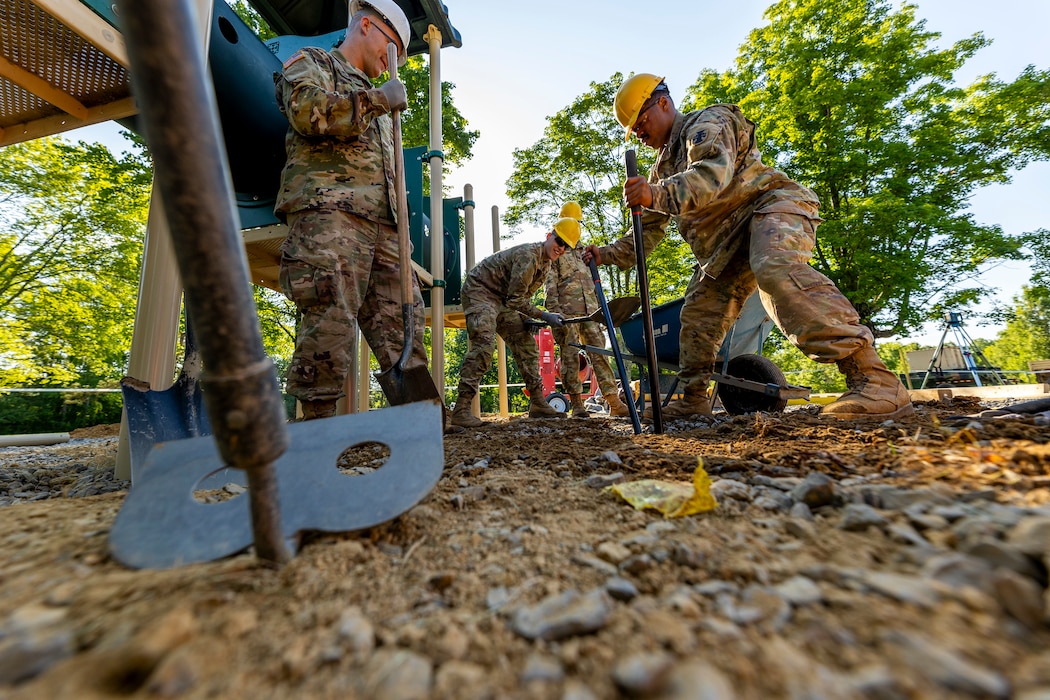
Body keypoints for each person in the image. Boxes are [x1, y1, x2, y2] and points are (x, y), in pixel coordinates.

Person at [584, 74, 913, 421]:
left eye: (641, 120)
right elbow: (646, 235)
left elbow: (711, 175)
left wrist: (655, 194)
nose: (638, 132)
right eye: (632, 129)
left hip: (769, 208)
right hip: (726, 245)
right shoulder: (660, 170)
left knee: (774, 269)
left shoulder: (706, 124)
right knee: (698, 313)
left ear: (662, 103)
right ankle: (694, 401)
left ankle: (874, 380)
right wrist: (603, 254)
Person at [272, 0, 430, 420]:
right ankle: (318, 420)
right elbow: (307, 112)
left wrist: (404, 232)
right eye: (392, 47)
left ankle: (420, 419)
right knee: (330, 312)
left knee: (406, 319)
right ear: (366, 25)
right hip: (331, 212)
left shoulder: (382, 106)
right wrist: (376, 99)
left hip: (387, 227)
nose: (392, 60)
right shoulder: (315, 63)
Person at [449, 218, 582, 428]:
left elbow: (519, 299)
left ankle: (538, 402)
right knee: (483, 345)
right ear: (549, 236)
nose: (561, 248)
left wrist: (527, 318)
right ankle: (461, 409)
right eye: (559, 241)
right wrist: (544, 315)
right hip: (481, 290)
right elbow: (516, 300)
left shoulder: (545, 264)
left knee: (525, 343)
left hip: (503, 300)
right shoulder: (529, 256)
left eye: (567, 246)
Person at [544, 202, 631, 418]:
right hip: (567, 315)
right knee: (570, 356)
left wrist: (602, 311)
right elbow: (550, 285)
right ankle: (577, 405)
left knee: (600, 355)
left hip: (591, 313)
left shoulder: (585, 252)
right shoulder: (555, 247)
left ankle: (614, 402)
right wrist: (555, 314)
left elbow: (593, 282)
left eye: (578, 222)